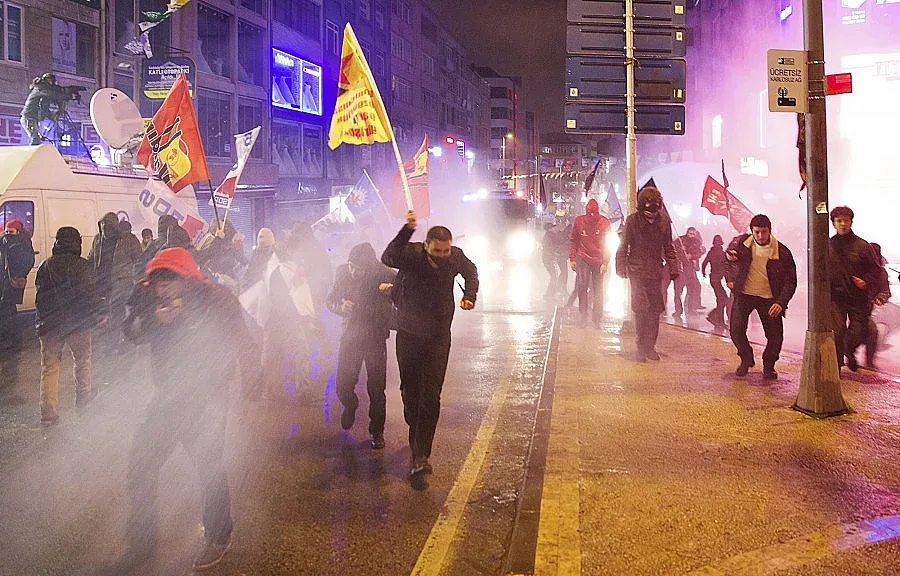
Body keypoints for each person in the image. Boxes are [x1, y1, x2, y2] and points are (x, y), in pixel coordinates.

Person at [121, 248, 261, 572]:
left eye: (169, 283)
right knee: (141, 464)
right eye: (157, 284)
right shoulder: (147, 298)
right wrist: (154, 320)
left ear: (187, 279)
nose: (162, 290)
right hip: (167, 398)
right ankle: (141, 544)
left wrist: (251, 390)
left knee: (209, 468)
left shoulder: (216, 300)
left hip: (208, 398)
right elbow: (128, 332)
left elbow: (244, 342)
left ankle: (218, 536)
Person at [381, 210, 478, 478]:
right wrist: (407, 230)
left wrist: (470, 295)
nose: (443, 255)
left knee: (431, 395)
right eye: (438, 251)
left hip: (438, 336)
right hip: (409, 334)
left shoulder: (455, 256)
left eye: (446, 251)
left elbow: (471, 272)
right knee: (411, 394)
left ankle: (421, 454)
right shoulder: (412, 255)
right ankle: (415, 434)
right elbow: (388, 257)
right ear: (426, 246)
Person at [327, 243, 396, 449]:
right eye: (351, 266)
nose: (354, 272)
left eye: (359, 269)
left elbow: (403, 295)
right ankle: (351, 405)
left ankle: (377, 431)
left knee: (376, 388)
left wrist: (391, 293)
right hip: (351, 337)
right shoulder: (342, 272)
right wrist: (341, 307)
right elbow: (330, 300)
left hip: (375, 336)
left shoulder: (385, 274)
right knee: (342, 385)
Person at [34, 227, 104, 425]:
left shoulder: (45, 265)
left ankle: (47, 413)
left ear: (57, 242)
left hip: (50, 326)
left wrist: (43, 321)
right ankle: (84, 399)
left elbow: (40, 298)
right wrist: (100, 312)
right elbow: (91, 293)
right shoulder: (83, 265)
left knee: (50, 368)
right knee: (82, 361)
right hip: (78, 324)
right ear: (77, 243)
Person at [725, 214, 797, 379]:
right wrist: (730, 275)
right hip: (744, 295)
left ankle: (769, 365)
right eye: (756, 232)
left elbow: (791, 281)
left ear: (769, 231)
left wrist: (781, 302)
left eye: (764, 232)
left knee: (775, 337)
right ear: (752, 231)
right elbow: (726, 261)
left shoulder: (781, 251)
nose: (760, 236)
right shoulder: (741, 244)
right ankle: (746, 359)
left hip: (769, 299)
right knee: (736, 330)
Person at [615, 186, 680, 361]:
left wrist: (674, 268)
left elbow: (669, 247)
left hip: (655, 271)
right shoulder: (632, 221)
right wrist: (620, 267)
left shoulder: (664, 222)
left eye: (656, 205)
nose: (652, 210)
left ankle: (650, 346)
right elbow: (623, 246)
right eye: (649, 204)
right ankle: (641, 346)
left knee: (655, 309)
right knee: (641, 308)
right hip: (636, 271)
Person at [829, 206, 881, 371]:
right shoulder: (828, 245)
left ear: (851, 222)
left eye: (846, 221)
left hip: (858, 297)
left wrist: (865, 282)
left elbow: (876, 271)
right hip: (836, 297)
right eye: (839, 221)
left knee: (859, 330)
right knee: (837, 331)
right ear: (833, 223)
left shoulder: (862, 246)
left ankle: (848, 350)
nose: (843, 224)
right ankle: (837, 366)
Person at [0, 219, 35, 390]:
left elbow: (24, 263)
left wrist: (13, 244)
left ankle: (11, 346)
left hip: (9, 288)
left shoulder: (22, 244)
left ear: (19, 232)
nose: (7, 235)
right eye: (6, 232)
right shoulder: (4, 243)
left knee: (8, 316)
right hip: (4, 287)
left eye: (11, 232)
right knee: (7, 315)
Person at [569, 198, 612, 328]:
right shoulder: (579, 221)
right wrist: (572, 258)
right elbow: (574, 239)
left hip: (598, 259)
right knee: (583, 286)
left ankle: (596, 318)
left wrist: (605, 262)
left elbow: (607, 244)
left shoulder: (604, 223)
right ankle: (583, 316)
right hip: (583, 258)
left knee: (598, 288)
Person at [864, 242, 892, 369]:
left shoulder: (881, 273)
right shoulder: (857, 268)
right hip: (852, 309)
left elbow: (886, 291)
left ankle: (869, 363)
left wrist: (880, 298)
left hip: (867, 311)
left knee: (872, 333)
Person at [702, 234, 730, 329]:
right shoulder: (722, 253)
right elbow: (725, 267)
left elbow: (704, 264)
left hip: (714, 279)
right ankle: (713, 317)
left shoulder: (712, 252)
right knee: (723, 300)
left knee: (721, 300)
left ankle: (719, 321)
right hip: (715, 279)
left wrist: (704, 272)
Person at [679, 227, 706, 312]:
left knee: (693, 287)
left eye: (694, 234)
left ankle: (693, 305)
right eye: (690, 234)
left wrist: (692, 256)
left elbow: (698, 253)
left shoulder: (696, 243)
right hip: (682, 269)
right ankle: (687, 307)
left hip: (691, 269)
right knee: (682, 289)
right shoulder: (681, 240)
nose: (692, 236)